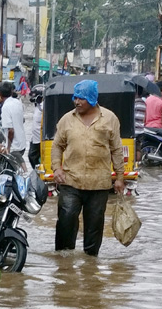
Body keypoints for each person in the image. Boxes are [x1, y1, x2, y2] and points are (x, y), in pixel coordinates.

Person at [50, 79, 127, 256]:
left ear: (92, 99)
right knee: (66, 219)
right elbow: (57, 146)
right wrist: (57, 168)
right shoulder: (66, 120)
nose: (76, 102)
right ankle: (63, 260)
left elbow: (116, 149)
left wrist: (120, 178)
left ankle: (90, 262)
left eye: (81, 98)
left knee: (94, 225)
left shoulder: (109, 118)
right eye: (75, 98)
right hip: (71, 180)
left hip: (98, 183)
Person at [0, 81, 27, 165]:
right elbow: (22, 120)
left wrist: (8, 148)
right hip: (22, 143)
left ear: (0, 94)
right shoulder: (17, 102)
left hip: (14, 146)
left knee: (9, 173)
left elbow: (11, 130)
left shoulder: (6, 107)